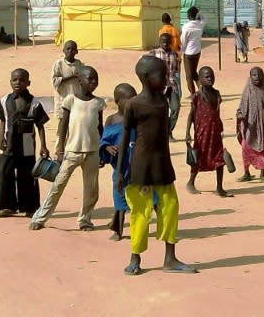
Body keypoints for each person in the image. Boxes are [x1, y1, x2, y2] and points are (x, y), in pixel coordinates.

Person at [116, 55, 196, 275]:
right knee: (140, 214)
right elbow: (124, 137)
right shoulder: (134, 104)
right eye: (161, 74)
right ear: (145, 77)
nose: (166, 78)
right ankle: (135, 258)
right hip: (140, 167)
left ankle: (170, 258)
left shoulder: (163, 100)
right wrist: (120, 172)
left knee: (170, 209)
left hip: (163, 165)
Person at [30, 66, 106, 231]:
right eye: (89, 79)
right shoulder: (70, 100)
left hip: (92, 152)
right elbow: (63, 125)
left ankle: (85, 220)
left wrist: (102, 150)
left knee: (91, 190)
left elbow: (100, 128)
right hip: (72, 151)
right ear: (80, 81)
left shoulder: (98, 103)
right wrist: (60, 150)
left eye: (96, 80)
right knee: (58, 185)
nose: (93, 82)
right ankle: (40, 217)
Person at [0, 68, 49, 217]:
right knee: (5, 174)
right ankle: (6, 206)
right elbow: (2, 120)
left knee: (28, 175)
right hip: (8, 141)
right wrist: (0, 138)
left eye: (22, 80)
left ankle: (30, 207)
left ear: (28, 83)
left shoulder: (34, 103)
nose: (18, 82)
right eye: (15, 79)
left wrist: (43, 145)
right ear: (10, 82)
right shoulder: (5, 100)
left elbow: (40, 125)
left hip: (26, 143)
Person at [99, 83, 140, 241]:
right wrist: (107, 148)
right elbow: (104, 140)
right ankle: (118, 230)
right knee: (119, 197)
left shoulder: (138, 119)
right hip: (120, 167)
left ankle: (160, 225)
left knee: (150, 196)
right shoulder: (112, 120)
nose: (132, 103)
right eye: (128, 100)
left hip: (137, 164)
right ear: (117, 101)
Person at [184, 66, 232, 197]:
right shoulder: (197, 96)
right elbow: (191, 115)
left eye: (211, 76)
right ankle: (191, 182)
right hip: (202, 133)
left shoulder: (217, 94)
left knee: (219, 158)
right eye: (206, 76)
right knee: (198, 157)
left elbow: (217, 113)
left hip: (215, 132)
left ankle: (220, 187)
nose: (210, 78)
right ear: (199, 79)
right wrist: (187, 132)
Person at [236, 67, 264, 182]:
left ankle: (262, 173)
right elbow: (242, 105)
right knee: (245, 148)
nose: (257, 77)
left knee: (263, 149)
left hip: (262, 126)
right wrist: (240, 115)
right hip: (249, 126)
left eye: (259, 74)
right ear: (250, 76)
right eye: (254, 75)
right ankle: (246, 173)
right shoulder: (247, 90)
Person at [148, 33, 180, 141]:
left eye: (167, 42)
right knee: (160, 110)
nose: (165, 44)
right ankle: (159, 133)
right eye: (163, 42)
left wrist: (178, 87)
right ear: (160, 42)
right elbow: (144, 64)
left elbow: (176, 72)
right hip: (159, 87)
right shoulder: (154, 53)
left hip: (172, 86)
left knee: (175, 108)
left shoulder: (175, 55)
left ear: (171, 42)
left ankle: (168, 131)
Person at [51, 40, 83, 151]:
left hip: (76, 102)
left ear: (77, 51)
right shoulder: (58, 64)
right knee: (61, 129)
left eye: (73, 49)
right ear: (64, 50)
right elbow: (55, 81)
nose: (70, 51)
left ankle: (70, 150)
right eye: (68, 49)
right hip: (63, 101)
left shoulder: (79, 65)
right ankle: (59, 151)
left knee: (74, 127)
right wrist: (70, 77)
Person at [180, 6, 205, 95]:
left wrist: (180, 54)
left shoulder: (186, 27)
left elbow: (183, 42)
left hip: (188, 53)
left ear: (188, 16)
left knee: (189, 76)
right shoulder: (200, 24)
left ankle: (193, 94)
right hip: (197, 52)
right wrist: (199, 12)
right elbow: (203, 18)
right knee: (194, 72)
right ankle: (201, 89)